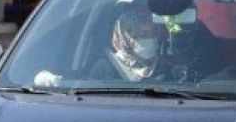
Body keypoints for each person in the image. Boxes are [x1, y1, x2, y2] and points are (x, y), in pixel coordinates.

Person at [34, 5, 164, 87]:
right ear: (125, 37)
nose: (149, 40)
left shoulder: (164, 65)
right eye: (141, 35)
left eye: (153, 34)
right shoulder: (105, 66)